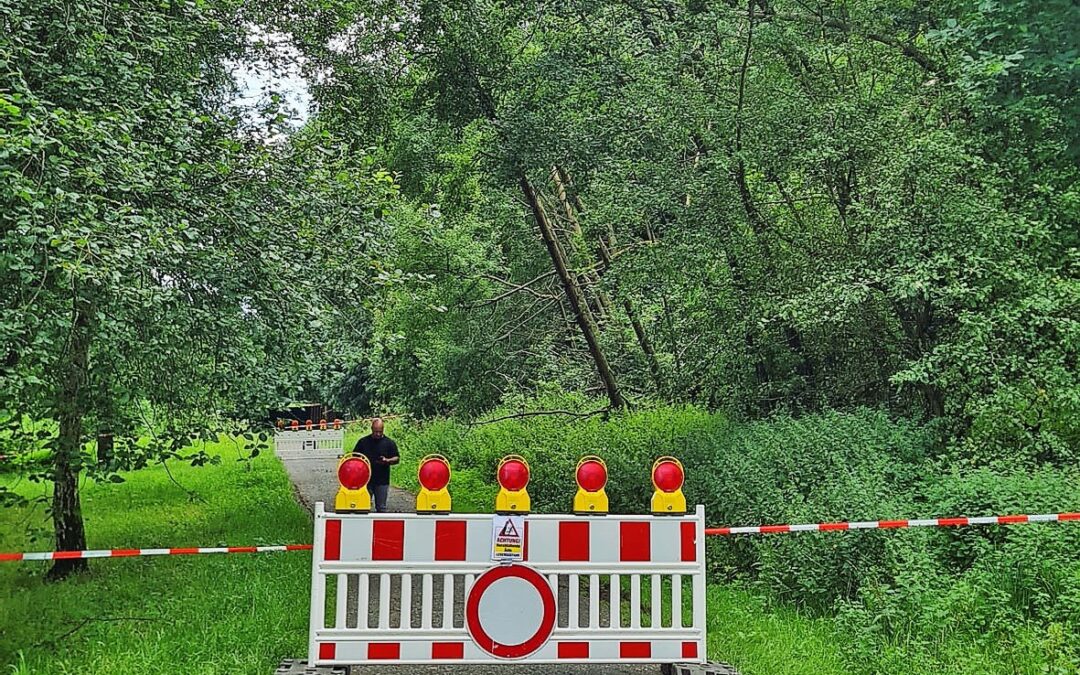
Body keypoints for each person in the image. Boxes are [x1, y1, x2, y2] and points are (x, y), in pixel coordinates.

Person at [351, 417, 399, 512]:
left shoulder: (389, 443)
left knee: (381, 508)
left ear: (383, 429)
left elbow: (396, 458)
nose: (378, 434)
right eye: (376, 431)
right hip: (365, 480)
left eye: (380, 431)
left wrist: (387, 460)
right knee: (362, 507)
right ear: (371, 429)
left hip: (382, 480)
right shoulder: (363, 442)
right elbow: (354, 457)